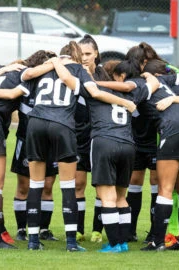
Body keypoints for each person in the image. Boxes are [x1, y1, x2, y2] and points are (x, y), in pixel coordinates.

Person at [21, 41, 136, 251]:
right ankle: (72, 243)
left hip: (35, 123)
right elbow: (94, 92)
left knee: (35, 185)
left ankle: (33, 241)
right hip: (62, 125)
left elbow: (25, 76)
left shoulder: (43, 68)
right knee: (68, 187)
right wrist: (125, 103)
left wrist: (52, 62)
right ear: (75, 56)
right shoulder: (78, 70)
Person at [97, 59, 179, 251]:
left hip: (173, 127)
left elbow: (127, 85)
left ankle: (157, 241)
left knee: (166, 188)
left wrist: (95, 84)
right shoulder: (162, 82)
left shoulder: (138, 82)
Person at [0, 52, 61, 242]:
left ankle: (44, 230)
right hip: (25, 140)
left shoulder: (53, 85)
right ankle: (22, 229)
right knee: (23, 186)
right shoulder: (23, 78)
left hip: (49, 141)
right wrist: (5, 67)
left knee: (47, 186)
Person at [88, 71, 160, 253]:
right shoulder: (133, 93)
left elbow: (69, 80)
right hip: (128, 145)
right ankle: (123, 242)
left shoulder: (93, 88)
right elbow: (154, 83)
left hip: (104, 142)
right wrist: (147, 75)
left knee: (107, 197)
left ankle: (113, 244)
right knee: (121, 197)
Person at [76, 34, 112, 242]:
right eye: (81, 54)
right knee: (78, 184)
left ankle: (98, 230)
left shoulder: (103, 76)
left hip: (100, 137)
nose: (84, 58)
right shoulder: (74, 74)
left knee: (101, 186)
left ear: (96, 54)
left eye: (88, 53)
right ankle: (79, 230)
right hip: (79, 137)